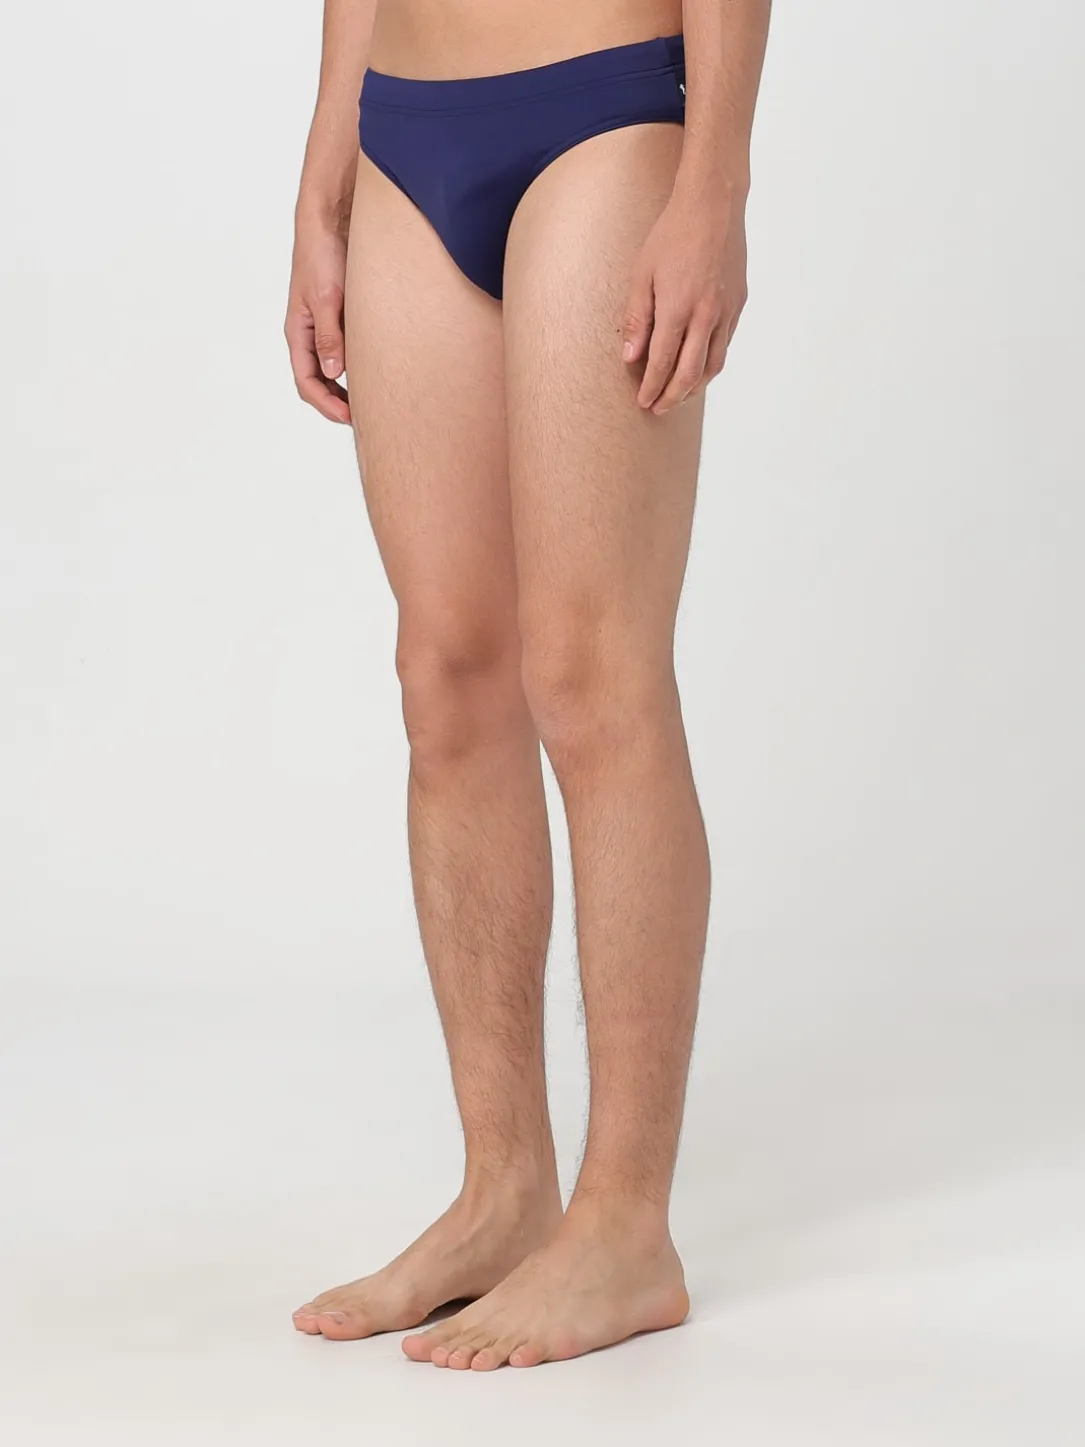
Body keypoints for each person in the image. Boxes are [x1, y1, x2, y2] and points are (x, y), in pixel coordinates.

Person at [286, 0, 770, 1371]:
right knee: (446, 675)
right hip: (401, 124)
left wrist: (716, 184)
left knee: (591, 670)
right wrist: (323, 176)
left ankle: (625, 1227)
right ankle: (503, 1192)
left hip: (602, 106)